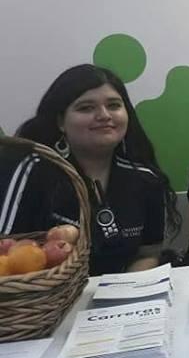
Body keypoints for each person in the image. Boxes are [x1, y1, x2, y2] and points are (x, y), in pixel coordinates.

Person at [6, 64, 179, 276]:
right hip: (42, 304)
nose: (104, 115)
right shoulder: (32, 172)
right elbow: (6, 257)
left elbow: (147, 254)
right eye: (86, 108)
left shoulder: (146, 180)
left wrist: (123, 291)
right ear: (61, 122)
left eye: (114, 105)